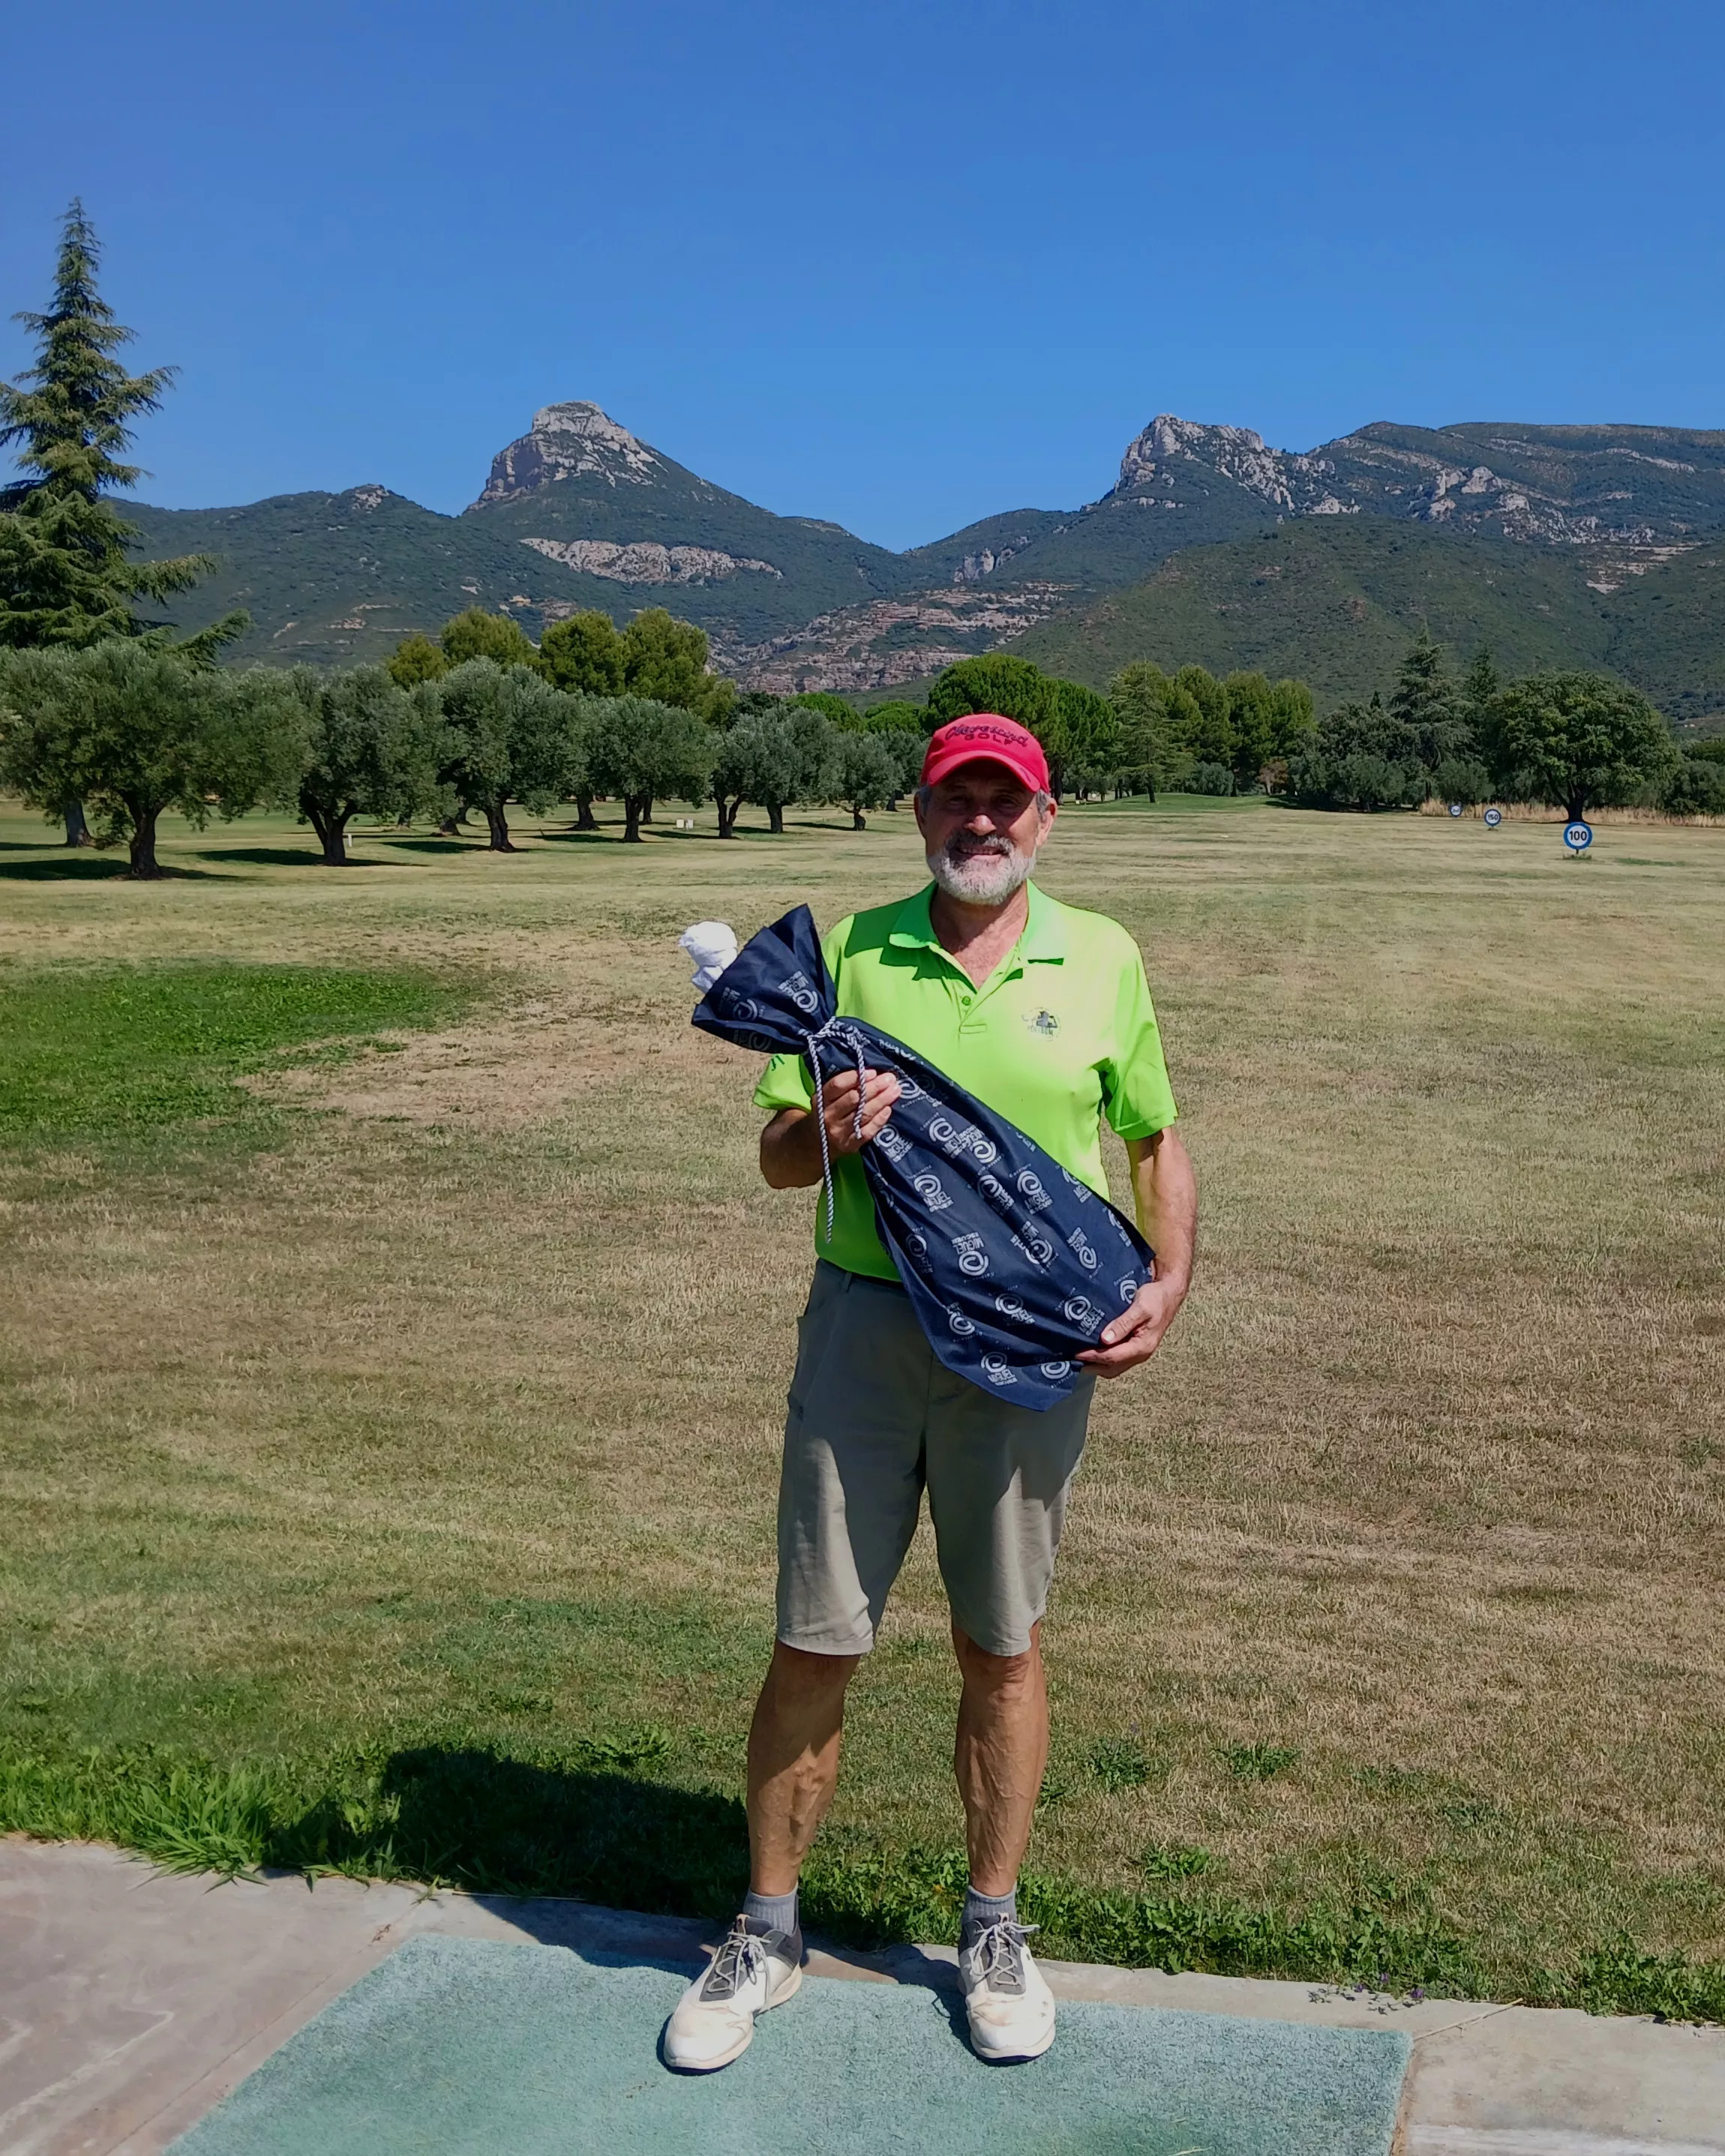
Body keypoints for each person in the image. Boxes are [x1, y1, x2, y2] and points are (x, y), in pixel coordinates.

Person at [664, 713, 1196, 2071]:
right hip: (866, 1332)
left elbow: (1151, 1135)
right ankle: (768, 1929)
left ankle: (995, 1928)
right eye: (959, 802)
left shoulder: (1106, 957)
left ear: (1045, 818)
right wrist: (820, 1131)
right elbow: (782, 1159)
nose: (983, 825)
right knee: (815, 1636)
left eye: (1005, 804)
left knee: (1001, 1642)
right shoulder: (853, 953)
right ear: (920, 815)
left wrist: (1172, 1278)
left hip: (1024, 1347)